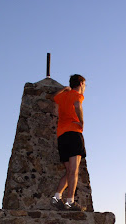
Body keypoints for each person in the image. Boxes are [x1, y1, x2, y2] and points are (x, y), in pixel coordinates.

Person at [48, 74, 87, 211]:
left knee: (69, 170)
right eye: (85, 85)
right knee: (74, 170)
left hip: (62, 136)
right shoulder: (76, 95)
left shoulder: (63, 96)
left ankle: (57, 197)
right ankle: (70, 202)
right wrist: (81, 121)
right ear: (81, 83)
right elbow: (77, 105)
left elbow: (53, 96)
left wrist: (64, 89)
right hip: (73, 133)